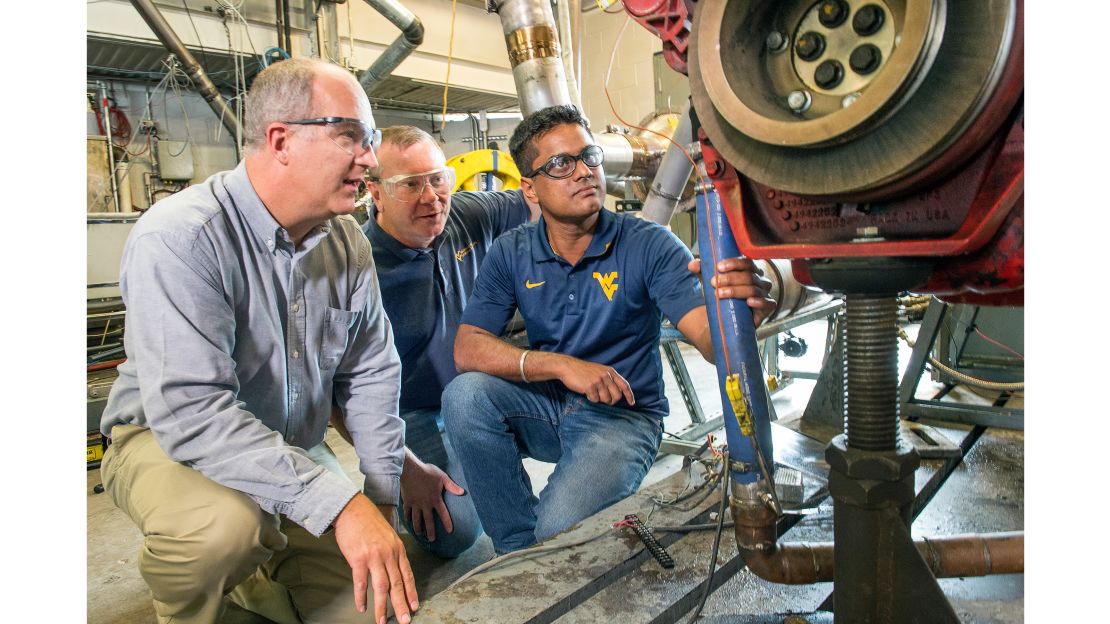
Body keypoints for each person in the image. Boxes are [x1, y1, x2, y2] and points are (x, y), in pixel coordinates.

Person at [99, 58, 418, 624]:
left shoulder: (346, 243)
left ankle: (264, 574)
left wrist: (380, 494)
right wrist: (340, 505)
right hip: (170, 442)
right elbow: (194, 415)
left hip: (288, 440)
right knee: (226, 532)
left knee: (373, 607)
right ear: (281, 140)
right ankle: (198, 600)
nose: (370, 159)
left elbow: (371, 372)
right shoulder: (182, 238)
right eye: (351, 137)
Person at [441, 105, 776, 554]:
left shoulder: (649, 244)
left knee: (558, 533)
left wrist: (738, 319)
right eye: (561, 164)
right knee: (464, 396)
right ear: (530, 190)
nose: (583, 172)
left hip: (623, 417)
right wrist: (561, 366)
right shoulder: (512, 251)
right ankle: (515, 552)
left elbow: (712, 343)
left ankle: (538, 550)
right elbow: (467, 348)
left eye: (589, 156)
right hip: (549, 404)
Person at [357, 125, 537, 558]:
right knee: (453, 533)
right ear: (375, 192)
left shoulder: (468, 216)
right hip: (410, 413)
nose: (431, 197)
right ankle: (391, 481)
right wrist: (404, 469)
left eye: (438, 178)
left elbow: (539, 198)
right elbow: (342, 395)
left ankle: (491, 464)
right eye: (409, 185)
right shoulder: (357, 267)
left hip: (477, 392)